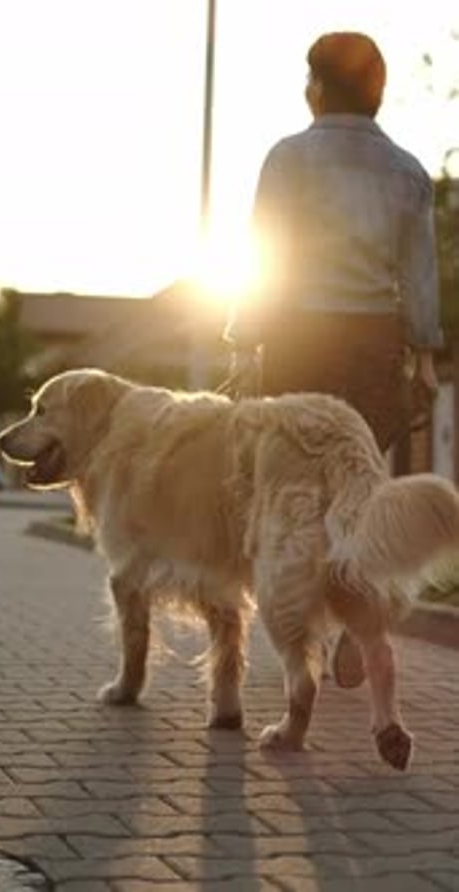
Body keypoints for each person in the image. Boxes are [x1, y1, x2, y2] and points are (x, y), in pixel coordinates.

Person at [225, 31, 443, 687]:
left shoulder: (288, 160)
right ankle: (358, 620)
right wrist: (426, 358)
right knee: (360, 489)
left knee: (295, 494)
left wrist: (243, 341)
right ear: (376, 91)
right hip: (373, 342)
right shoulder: (407, 170)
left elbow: (265, 253)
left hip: (296, 337)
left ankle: (305, 635)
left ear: (318, 87)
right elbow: (421, 273)